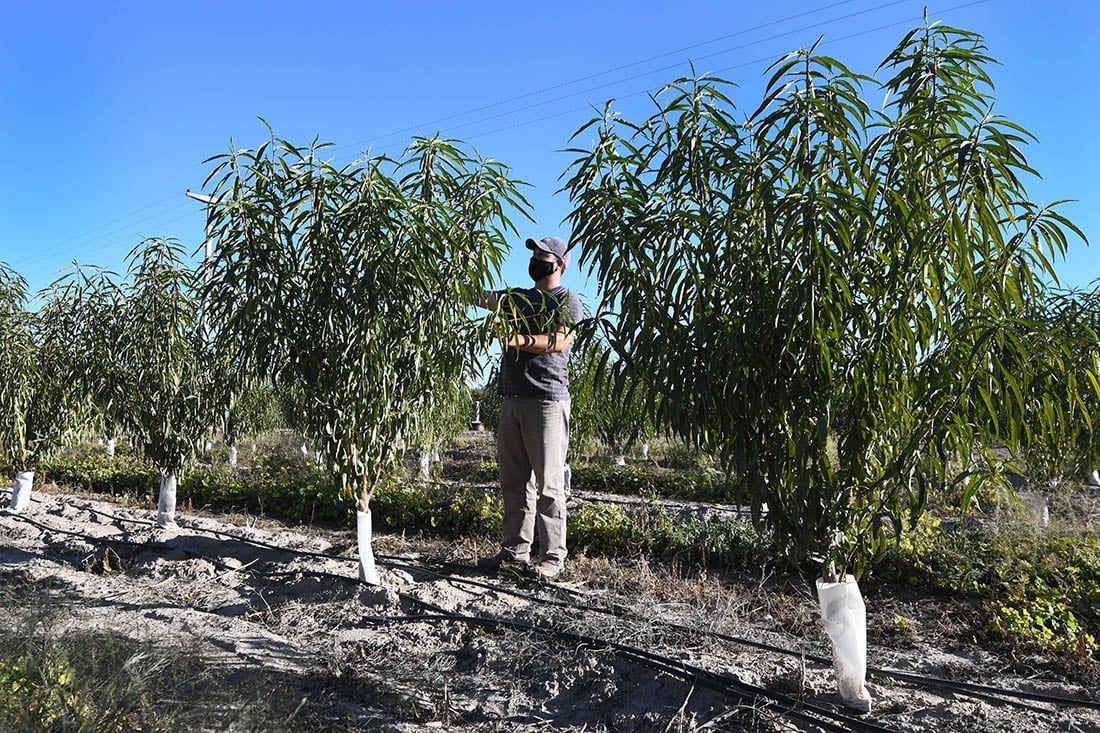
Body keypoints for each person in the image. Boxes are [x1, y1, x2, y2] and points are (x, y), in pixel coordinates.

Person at [476, 236, 583, 579]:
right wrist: (446, 282)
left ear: (560, 264)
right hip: (513, 398)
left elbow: (561, 340)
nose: (537, 259)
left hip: (547, 401)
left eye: (543, 255)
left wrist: (516, 339)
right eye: (534, 254)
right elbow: (482, 297)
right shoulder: (520, 298)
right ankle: (513, 552)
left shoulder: (567, 299)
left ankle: (552, 556)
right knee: (514, 481)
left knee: (549, 484)